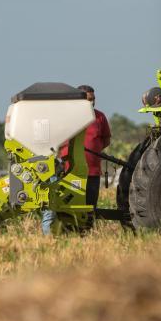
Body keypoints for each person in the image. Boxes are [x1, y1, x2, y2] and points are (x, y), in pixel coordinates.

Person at [41, 85, 111, 235]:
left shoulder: (100, 117)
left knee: (90, 207)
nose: (91, 103)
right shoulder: (66, 118)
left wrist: (92, 153)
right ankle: (68, 233)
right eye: (88, 99)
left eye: (93, 99)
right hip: (69, 172)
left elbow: (106, 140)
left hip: (92, 172)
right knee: (68, 207)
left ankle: (86, 235)